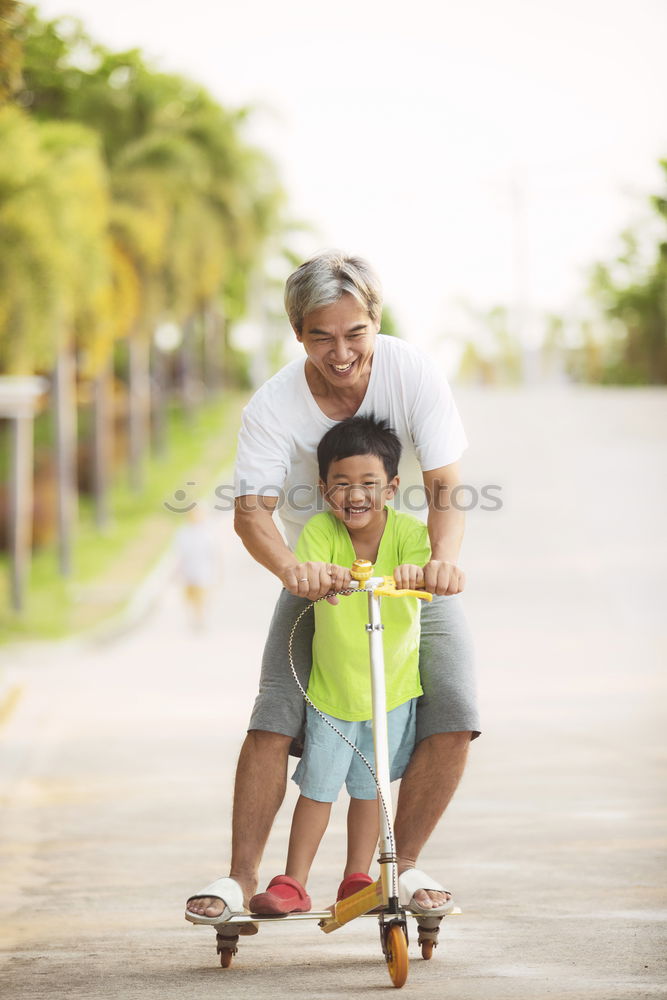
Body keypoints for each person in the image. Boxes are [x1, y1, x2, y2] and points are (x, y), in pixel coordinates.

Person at [185, 250, 480, 928]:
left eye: (353, 333)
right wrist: (294, 571)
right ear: (298, 334)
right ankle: (240, 879)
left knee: (456, 708)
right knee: (274, 712)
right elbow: (251, 513)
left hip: (405, 570)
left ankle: (395, 869)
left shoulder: (412, 373)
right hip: (319, 571)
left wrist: (440, 563)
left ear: (374, 322)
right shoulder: (274, 405)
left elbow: (444, 490)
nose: (340, 351)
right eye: (321, 336)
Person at [249, 415, 435, 914]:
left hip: (391, 687)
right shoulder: (320, 532)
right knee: (317, 788)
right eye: (343, 484)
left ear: (392, 487)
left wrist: (419, 572)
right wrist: (313, 574)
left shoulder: (410, 535)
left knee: (371, 789)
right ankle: (293, 881)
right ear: (324, 489)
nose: (356, 495)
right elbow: (308, 566)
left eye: (369, 484)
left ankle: (357, 878)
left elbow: (421, 568)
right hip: (334, 689)